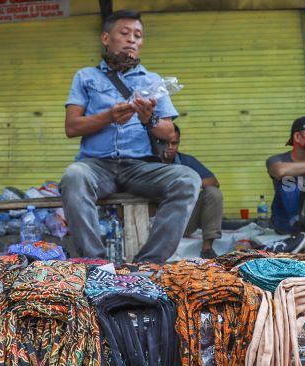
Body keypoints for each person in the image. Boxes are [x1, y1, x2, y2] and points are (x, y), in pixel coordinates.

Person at [60, 10, 201, 263]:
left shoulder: (153, 80)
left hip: (140, 167)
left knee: (188, 179)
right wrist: (109, 116)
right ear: (106, 38)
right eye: (124, 33)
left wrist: (149, 119)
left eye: (138, 35)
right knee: (74, 176)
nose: (132, 40)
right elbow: (72, 127)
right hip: (97, 166)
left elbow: (169, 133)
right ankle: (96, 263)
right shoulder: (85, 77)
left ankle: (149, 263)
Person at [161, 123, 222, 259]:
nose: (170, 147)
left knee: (212, 192)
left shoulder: (185, 160)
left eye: (174, 143)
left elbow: (214, 182)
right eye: (165, 143)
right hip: (156, 223)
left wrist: (187, 182)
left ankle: (207, 249)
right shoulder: (147, 162)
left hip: (183, 221)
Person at [266, 116, 305, 234]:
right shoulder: (277, 159)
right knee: (288, 181)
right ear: (297, 137)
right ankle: (298, 223)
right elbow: (280, 171)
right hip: (285, 220)